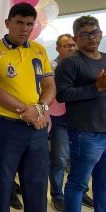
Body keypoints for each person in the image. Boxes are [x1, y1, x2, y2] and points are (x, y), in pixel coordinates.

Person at [0, 2, 56, 212]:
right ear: (7, 23)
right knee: (3, 186)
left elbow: (50, 85)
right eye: (19, 23)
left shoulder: (39, 51)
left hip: (37, 129)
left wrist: (39, 110)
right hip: (7, 128)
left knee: (37, 186)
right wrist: (26, 111)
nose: (24, 29)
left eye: (29, 24)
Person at [55, 15, 106, 212]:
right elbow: (62, 94)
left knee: (103, 183)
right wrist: (96, 87)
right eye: (85, 34)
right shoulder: (69, 63)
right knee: (78, 184)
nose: (92, 38)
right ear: (76, 38)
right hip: (86, 133)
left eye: (95, 33)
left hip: (104, 129)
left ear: (100, 33)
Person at [49, 34, 93, 211]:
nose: (72, 48)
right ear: (58, 48)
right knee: (60, 159)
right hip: (59, 118)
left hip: (81, 118)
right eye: (67, 46)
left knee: (82, 157)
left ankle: (81, 192)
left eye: (73, 45)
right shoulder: (51, 67)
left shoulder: (83, 64)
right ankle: (57, 196)